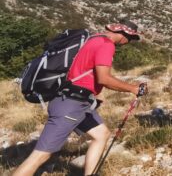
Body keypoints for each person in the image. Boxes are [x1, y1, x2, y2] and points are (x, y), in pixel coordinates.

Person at [13, 20, 148, 176]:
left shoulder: (93, 39)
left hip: (78, 102)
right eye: (131, 39)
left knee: (101, 134)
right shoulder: (106, 44)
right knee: (40, 155)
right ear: (124, 34)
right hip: (71, 104)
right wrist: (133, 88)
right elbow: (104, 78)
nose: (129, 42)